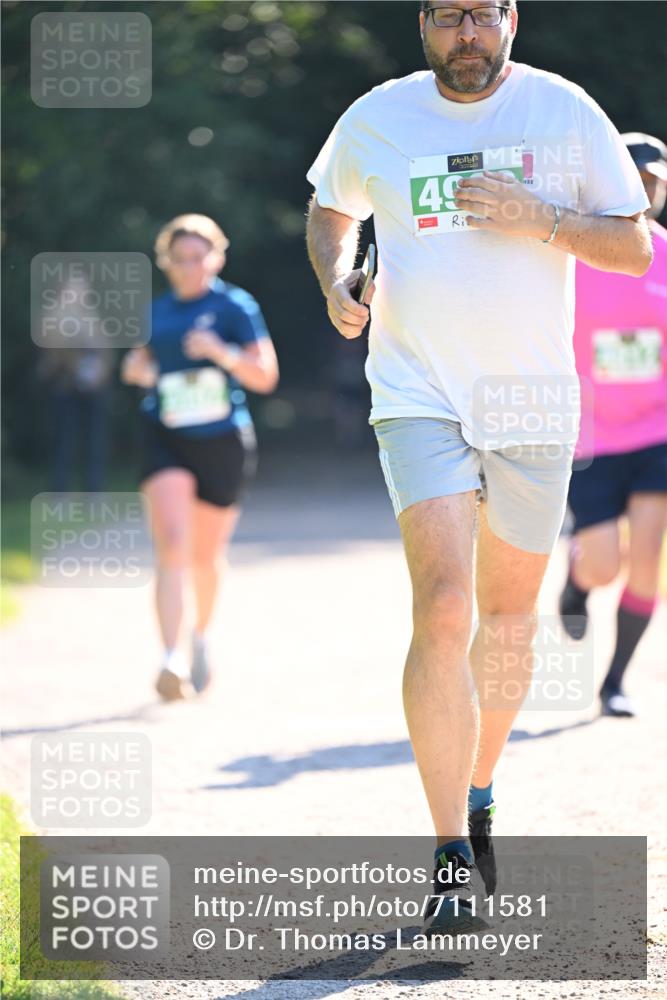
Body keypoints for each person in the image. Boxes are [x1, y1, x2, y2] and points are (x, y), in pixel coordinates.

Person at [305, 0, 652, 933]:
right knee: (445, 605)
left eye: (481, 13)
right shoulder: (378, 112)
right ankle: (449, 850)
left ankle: (483, 783)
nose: (467, 31)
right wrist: (339, 279)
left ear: (510, 18)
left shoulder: (565, 110)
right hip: (417, 391)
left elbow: (629, 244)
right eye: (448, 14)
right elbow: (330, 207)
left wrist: (540, 219)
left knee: (505, 620)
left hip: (532, 400)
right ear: (423, 23)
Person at [121, 214, 279, 701]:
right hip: (166, 436)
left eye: (199, 257)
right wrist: (137, 369)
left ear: (217, 256)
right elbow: (137, 365)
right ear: (166, 262)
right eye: (180, 259)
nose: (190, 268)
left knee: (205, 557)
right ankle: (169, 659)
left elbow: (264, 376)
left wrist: (221, 352)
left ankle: (201, 637)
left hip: (222, 440)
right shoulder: (157, 312)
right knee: (171, 543)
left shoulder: (235, 307)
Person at [559, 134, 667, 718]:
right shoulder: (573, 255)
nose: (644, 189)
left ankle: (614, 682)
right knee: (604, 562)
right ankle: (577, 585)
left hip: (659, 433)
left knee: (648, 551)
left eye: (654, 181)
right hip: (592, 436)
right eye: (634, 178)